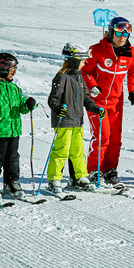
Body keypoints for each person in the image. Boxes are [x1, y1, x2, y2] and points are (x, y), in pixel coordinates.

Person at [81, 17, 134, 185]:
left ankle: (110, 169)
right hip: (96, 101)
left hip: (116, 102)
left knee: (115, 138)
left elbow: (133, 70)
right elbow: (84, 71)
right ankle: (94, 170)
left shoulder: (130, 52)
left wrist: (132, 90)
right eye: (119, 33)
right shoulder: (97, 50)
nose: (123, 37)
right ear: (112, 32)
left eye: (126, 34)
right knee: (102, 136)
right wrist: (92, 86)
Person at [0, 53, 37, 199]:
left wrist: (28, 105)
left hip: (14, 130)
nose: (14, 74)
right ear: (2, 71)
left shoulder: (15, 89)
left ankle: (12, 182)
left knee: (13, 158)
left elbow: (21, 108)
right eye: (12, 71)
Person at [46, 43, 105, 192]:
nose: (84, 64)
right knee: (61, 151)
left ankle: (79, 177)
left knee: (78, 151)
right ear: (73, 60)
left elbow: (86, 98)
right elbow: (53, 99)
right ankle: (54, 179)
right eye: (82, 60)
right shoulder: (61, 77)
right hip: (64, 121)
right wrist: (58, 109)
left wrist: (96, 109)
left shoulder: (79, 78)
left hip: (77, 121)